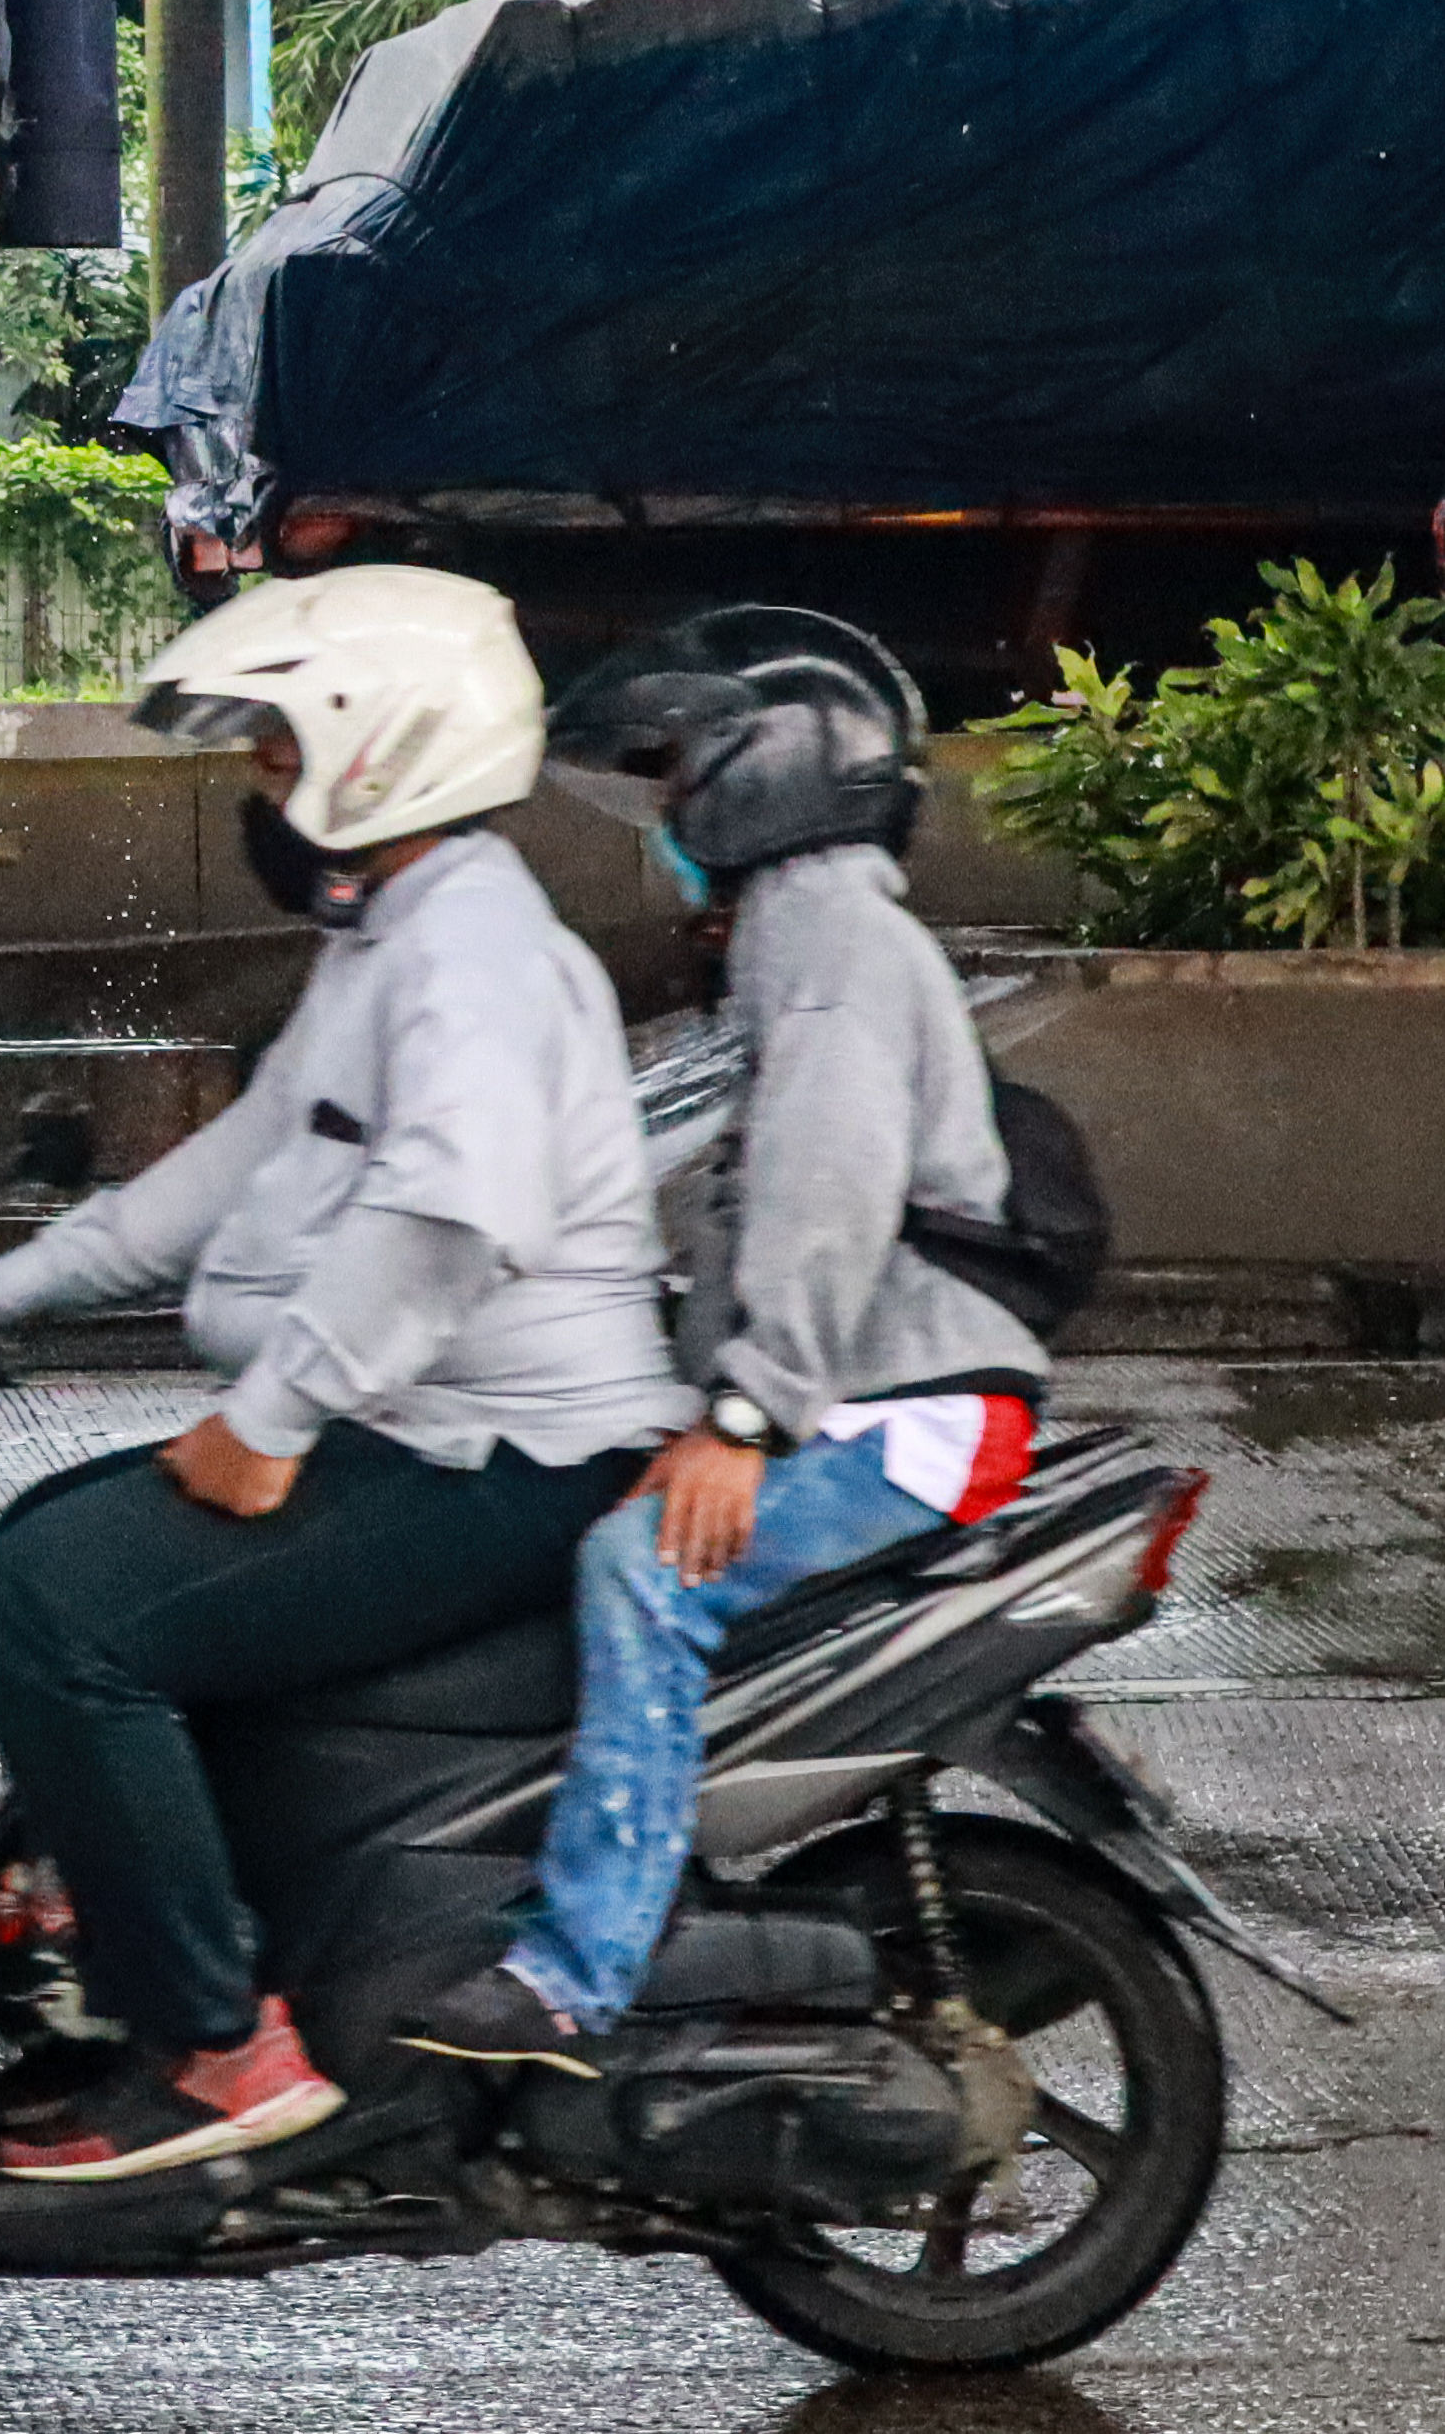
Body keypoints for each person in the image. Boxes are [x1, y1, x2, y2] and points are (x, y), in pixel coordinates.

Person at [0, 566, 691, 2183]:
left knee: (65, 1606)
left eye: (280, 748)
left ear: (384, 743)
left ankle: (220, 2048)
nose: (258, 782)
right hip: (427, 1426)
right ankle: (165, 1931)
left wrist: (269, 1416)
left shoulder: (472, 955)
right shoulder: (394, 936)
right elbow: (226, 1169)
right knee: (45, 1537)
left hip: (507, 1454)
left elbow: (446, 1218)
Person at [402, 608, 1046, 2075]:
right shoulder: (803, 933)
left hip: (908, 1408)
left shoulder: (827, 938)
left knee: (645, 1570)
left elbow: (824, 1193)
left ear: (774, 771)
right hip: (876, 1389)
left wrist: (744, 1419)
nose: (670, 810)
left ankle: (580, 1973)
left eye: (686, 770)